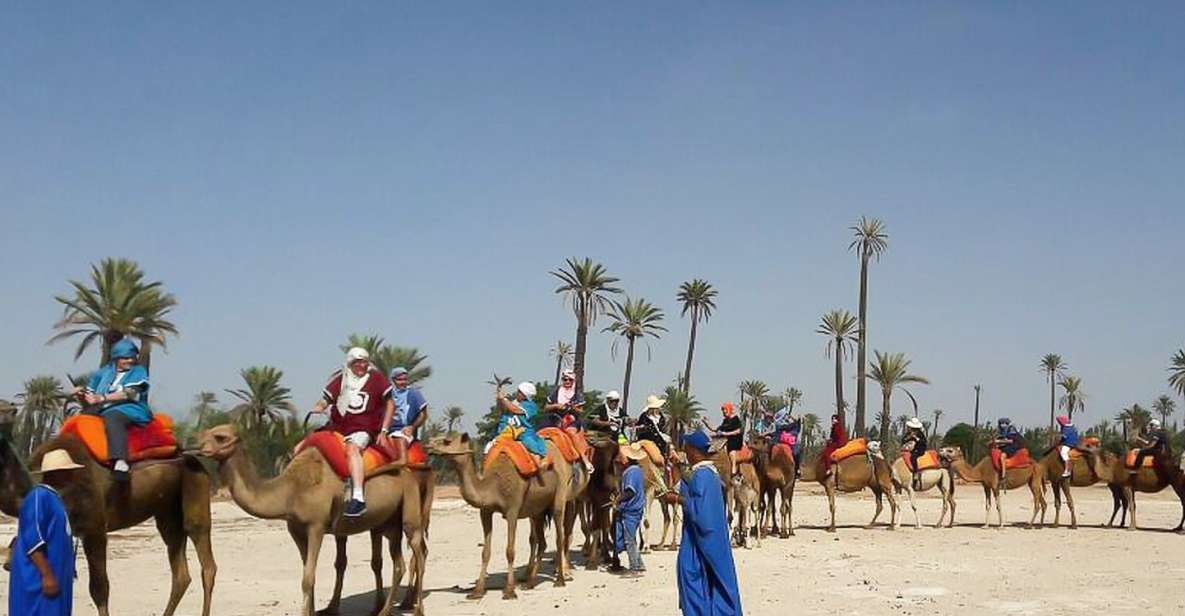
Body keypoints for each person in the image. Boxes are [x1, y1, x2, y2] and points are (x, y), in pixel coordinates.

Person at [662, 431, 742, 615]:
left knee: (692, 578)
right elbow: (687, 489)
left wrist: (678, 500)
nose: (685, 452)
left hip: (699, 542)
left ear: (694, 450)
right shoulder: (705, 474)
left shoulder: (702, 476)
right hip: (707, 541)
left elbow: (702, 513)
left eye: (686, 448)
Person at [310, 347, 394, 517]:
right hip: (338, 426)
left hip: (364, 427)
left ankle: (358, 498)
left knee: (352, 449)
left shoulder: (376, 379)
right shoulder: (342, 380)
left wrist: (384, 430)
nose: (363, 365)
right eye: (359, 362)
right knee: (303, 447)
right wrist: (319, 407)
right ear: (351, 363)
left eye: (365, 361)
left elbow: (390, 404)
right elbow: (326, 399)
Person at [9, 449, 83, 616]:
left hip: (56, 579)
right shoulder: (38, 497)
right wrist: (47, 575)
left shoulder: (54, 498)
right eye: (68, 472)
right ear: (55, 474)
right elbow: (32, 539)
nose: (72, 475)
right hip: (38, 581)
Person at [73, 338, 153, 481]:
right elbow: (91, 397)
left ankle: (120, 461)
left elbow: (129, 394)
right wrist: (82, 394)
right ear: (116, 358)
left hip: (130, 408)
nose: (130, 361)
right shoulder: (103, 373)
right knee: (80, 420)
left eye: (132, 357)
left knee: (113, 417)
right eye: (125, 358)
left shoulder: (138, 371)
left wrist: (101, 398)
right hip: (102, 408)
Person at [492, 381, 550, 465]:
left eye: (519, 392)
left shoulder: (530, 406)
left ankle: (540, 461)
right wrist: (499, 399)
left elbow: (516, 410)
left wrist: (504, 399)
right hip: (506, 432)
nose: (517, 393)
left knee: (530, 445)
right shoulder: (514, 402)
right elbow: (503, 409)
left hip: (523, 433)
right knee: (489, 448)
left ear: (525, 395)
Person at [611, 443, 647, 577]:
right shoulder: (637, 470)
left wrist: (618, 500)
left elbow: (630, 491)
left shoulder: (631, 472)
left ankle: (635, 568)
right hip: (636, 509)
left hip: (630, 511)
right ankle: (639, 564)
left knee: (629, 540)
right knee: (632, 538)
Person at [382, 366, 428, 465]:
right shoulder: (386, 394)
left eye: (404, 379)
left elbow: (423, 413)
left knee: (400, 437)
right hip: (386, 431)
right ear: (393, 380)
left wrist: (412, 427)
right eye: (399, 380)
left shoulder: (413, 393)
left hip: (403, 431)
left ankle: (400, 461)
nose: (403, 382)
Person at [704, 402, 743, 477]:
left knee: (731, 450)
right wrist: (708, 424)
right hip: (725, 439)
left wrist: (725, 434)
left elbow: (738, 431)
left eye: (725, 410)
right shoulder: (725, 421)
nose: (724, 413)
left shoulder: (735, 419)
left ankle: (733, 471)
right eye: (723, 411)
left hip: (734, 439)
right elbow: (716, 429)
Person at [635, 395, 673, 459]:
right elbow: (639, 428)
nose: (658, 409)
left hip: (660, 441)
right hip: (648, 440)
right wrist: (643, 428)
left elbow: (662, 428)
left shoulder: (660, 417)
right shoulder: (644, 417)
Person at [901, 417, 928, 490]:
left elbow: (924, 442)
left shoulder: (920, 434)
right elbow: (903, 440)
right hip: (910, 450)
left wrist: (916, 438)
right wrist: (908, 438)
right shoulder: (908, 433)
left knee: (913, 457)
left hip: (919, 450)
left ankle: (915, 473)